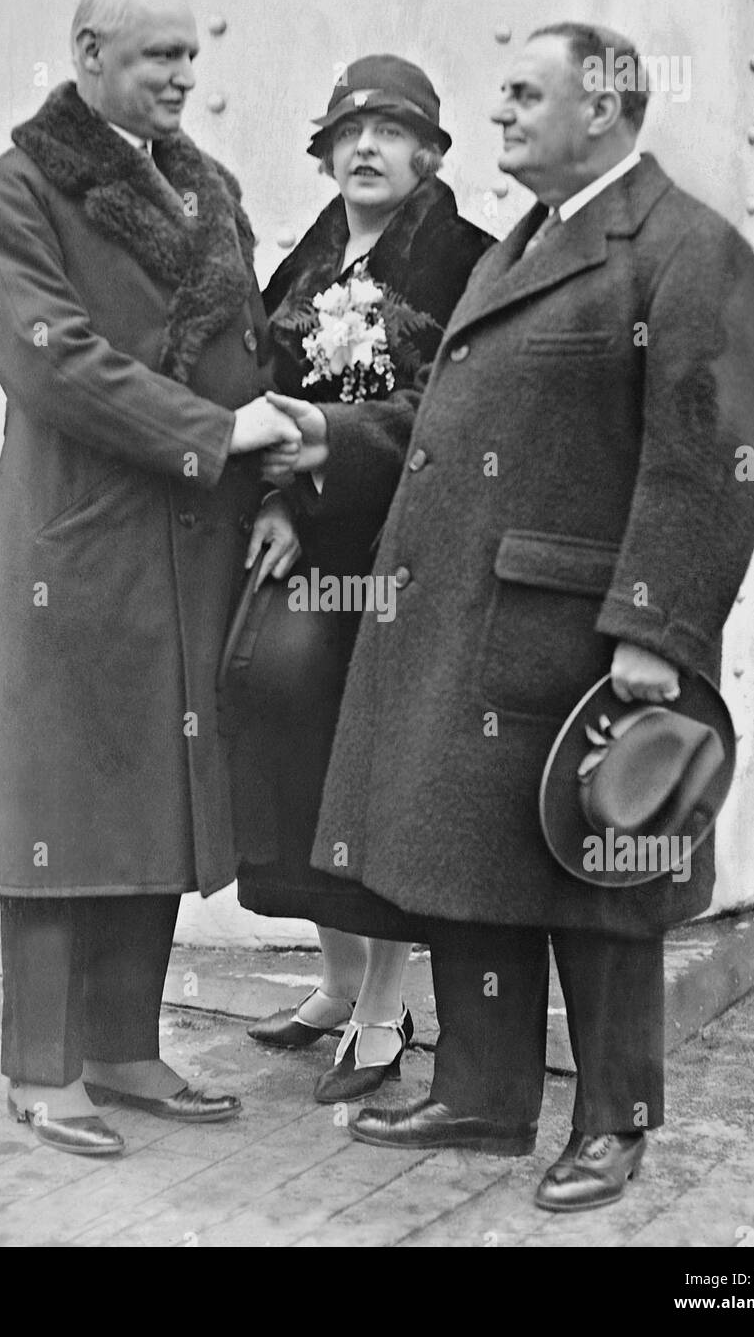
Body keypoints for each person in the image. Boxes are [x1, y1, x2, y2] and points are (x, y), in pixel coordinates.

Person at [291, 22, 754, 1209]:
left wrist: (654, 633)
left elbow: (715, 458)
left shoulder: (684, 251)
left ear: (602, 108)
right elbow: (447, 424)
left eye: (520, 94)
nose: (495, 114)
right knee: (467, 862)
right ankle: (484, 1092)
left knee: (601, 874)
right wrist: (326, 432)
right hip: (468, 621)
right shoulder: (524, 241)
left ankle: (613, 1121)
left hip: (581, 633)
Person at [0, 0, 301, 1157]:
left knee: (152, 792)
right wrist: (212, 435)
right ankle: (43, 1068)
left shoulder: (206, 192)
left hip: (186, 544)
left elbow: (239, 351)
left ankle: (125, 1049)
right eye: (158, 58)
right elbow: (53, 362)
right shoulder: (15, 193)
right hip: (77, 544)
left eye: (191, 57)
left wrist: (286, 464)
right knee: (56, 803)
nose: (184, 77)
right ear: (88, 53)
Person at [237, 56, 494, 1103]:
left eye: (390, 131)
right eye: (348, 132)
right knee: (292, 751)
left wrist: (332, 450)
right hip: (309, 550)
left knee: (382, 778)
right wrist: (270, 501)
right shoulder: (305, 261)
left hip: (405, 559)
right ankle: (338, 982)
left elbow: (459, 410)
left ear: (430, 153)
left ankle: (390, 1010)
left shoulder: (466, 261)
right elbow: (257, 391)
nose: (365, 149)